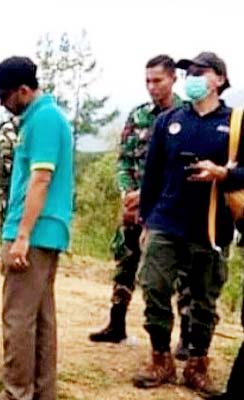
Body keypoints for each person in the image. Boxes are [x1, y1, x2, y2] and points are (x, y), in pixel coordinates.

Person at [133, 52, 243, 396]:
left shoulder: (237, 122)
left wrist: (223, 173)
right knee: (154, 286)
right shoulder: (168, 121)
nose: (192, 77)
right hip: (166, 220)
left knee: (203, 299)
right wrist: (146, 220)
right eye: (189, 72)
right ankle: (160, 357)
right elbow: (151, 176)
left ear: (220, 79)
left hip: (210, 225)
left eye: (200, 71)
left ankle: (197, 364)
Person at [0, 56, 74, 400]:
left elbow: (41, 178)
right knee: (39, 317)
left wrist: (22, 236)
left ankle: (15, 392)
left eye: (4, 96)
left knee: (17, 318)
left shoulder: (44, 120)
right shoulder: (41, 118)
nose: (1, 104)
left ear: (23, 90)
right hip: (43, 231)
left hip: (32, 233)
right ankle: (40, 392)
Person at [90, 55, 191, 358]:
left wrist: (149, 197)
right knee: (125, 259)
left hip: (168, 210)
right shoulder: (138, 116)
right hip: (134, 206)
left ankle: (185, 338)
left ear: (173, 79)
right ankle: (116, 323)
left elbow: (180, 170)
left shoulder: (187, 116)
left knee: (177, 273)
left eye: (158, 80)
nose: (151, 87)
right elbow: (124, 159)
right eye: (147, 80)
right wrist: (127, 193)